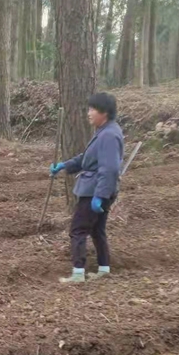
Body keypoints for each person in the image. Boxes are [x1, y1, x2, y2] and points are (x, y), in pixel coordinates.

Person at [50, 93, 124, 283]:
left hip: (94, 190)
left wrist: (99, 195)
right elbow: (85, 159)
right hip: (97, 189)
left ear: (104, 113)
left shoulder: (108, 135)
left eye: (92, 109)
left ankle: (78, 273)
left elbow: (110, 169)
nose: (88, 113)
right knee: (97, 229)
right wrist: (64, 165)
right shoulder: (104, 131)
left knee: (78, 229)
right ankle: (104, 268)